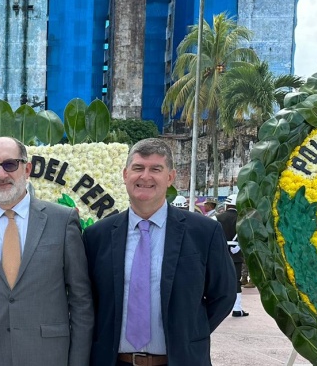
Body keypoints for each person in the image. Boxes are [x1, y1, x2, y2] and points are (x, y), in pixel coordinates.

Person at [82, 138, 235, 366]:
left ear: (170, 177)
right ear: (125, 175)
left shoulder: (203, 232)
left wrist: (189, 333)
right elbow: (87, 301)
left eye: (156, 169)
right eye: (138, 168)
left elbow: (224, 294)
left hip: (180, 360)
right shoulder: (97, 236)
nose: (145, 176)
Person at [0, 137, 94, 366]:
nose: (1, 174)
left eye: (10, 164)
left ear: (27, 169)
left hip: (48, 356)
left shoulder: (62, 221)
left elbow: (81, 302)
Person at [217, 193, 249, 317]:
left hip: (220, 253)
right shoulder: (243, 219)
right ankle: (237, 309)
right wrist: (239, 246)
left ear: (227, 205)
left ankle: (219, 309)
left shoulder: (217, 217)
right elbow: (247, 236)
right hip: (236, 255)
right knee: (235, 281)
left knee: (218, 281)